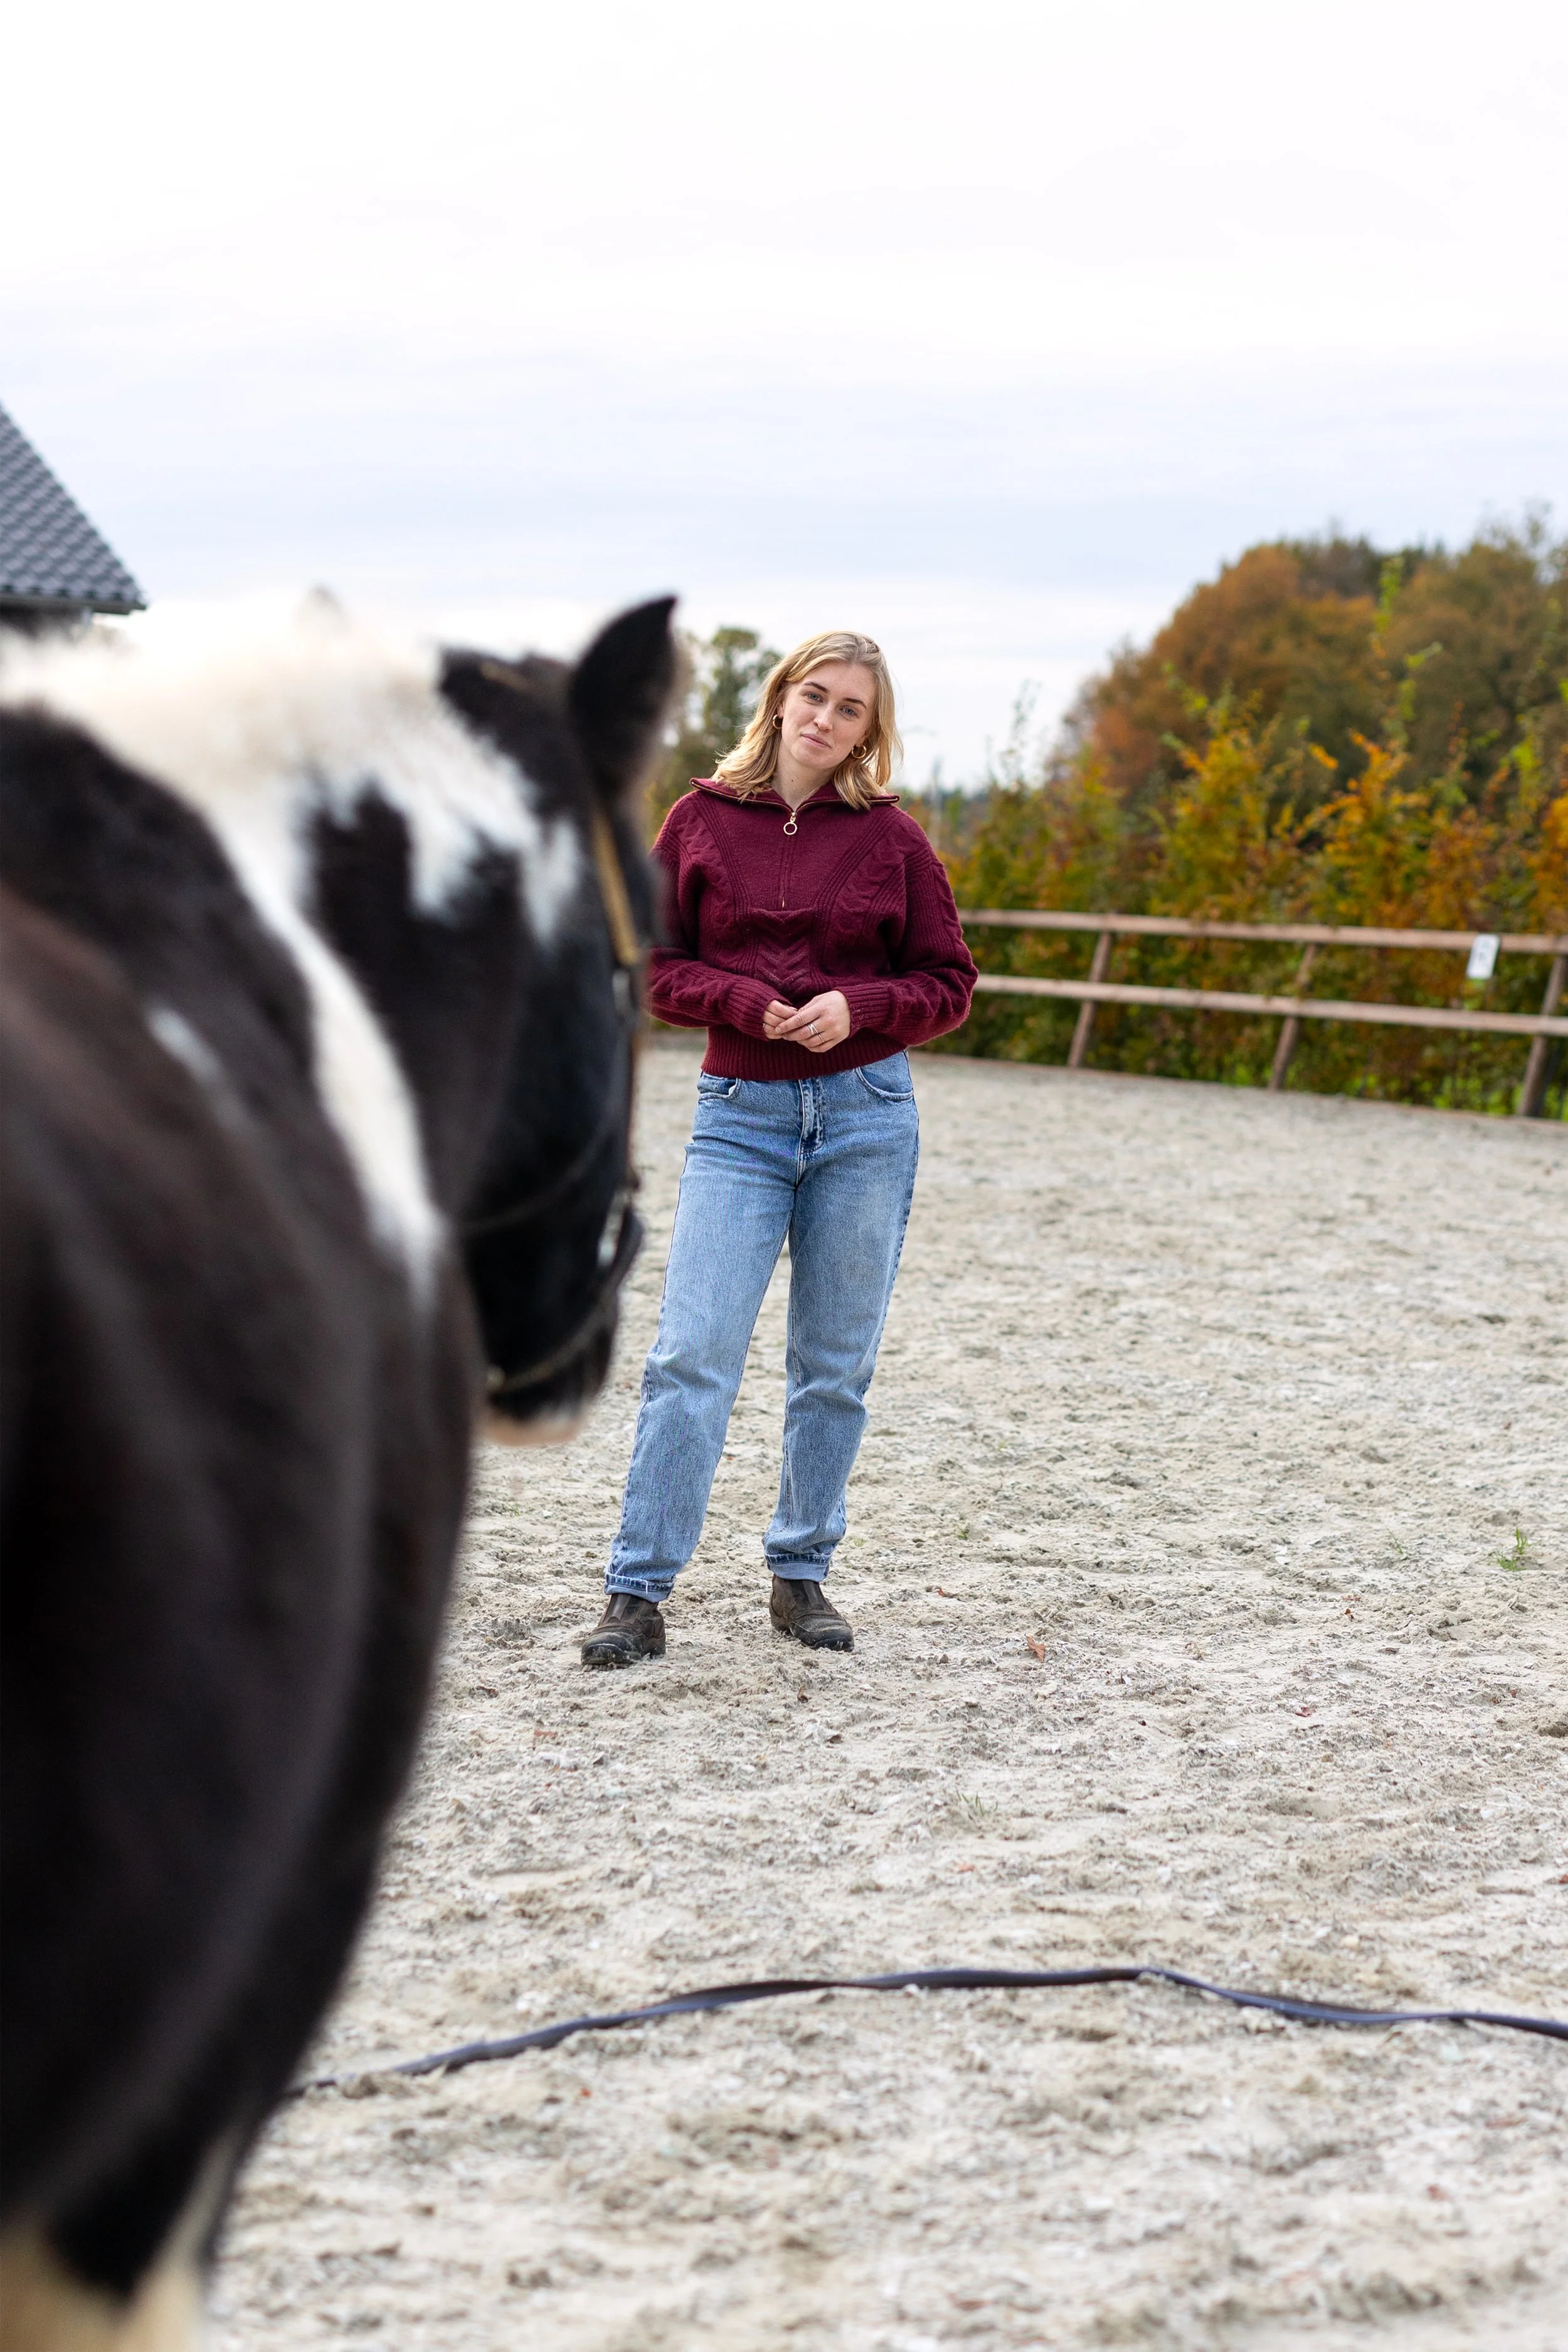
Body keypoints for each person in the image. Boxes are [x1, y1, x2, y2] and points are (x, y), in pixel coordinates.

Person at [581, 631, 977, 1666]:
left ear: (868, 732)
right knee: (691, 1355)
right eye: (816, 695)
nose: (826, 719)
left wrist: (862, 1006)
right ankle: (637, 1589)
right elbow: (647, 961)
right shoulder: (699, 821)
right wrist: (741, 999)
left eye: (852, 709)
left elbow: (949, 982)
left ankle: (800, 1573)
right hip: (740, 1120)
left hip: (866, 1117)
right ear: (781, 698)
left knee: (834, 1366)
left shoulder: (895, 840)